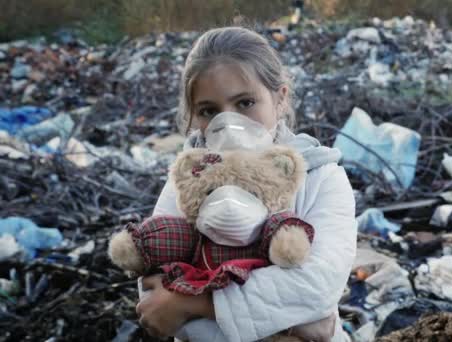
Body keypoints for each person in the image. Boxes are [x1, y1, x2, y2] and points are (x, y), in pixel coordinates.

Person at [135, 26, 357, 342]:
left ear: (279, 98)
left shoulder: (320, 174)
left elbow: (317, 285)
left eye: (245, 103)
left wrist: (194, 303)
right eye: (209, 111)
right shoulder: (191, 177)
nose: (228, 123)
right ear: (194, 116)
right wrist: (291, 325)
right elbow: (154, 292)